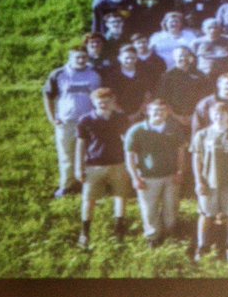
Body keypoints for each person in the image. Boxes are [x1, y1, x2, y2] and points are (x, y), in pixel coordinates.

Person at [190, 101, 228, 262]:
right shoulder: (202, 135)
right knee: (206, 214)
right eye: (216, 113)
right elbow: (196, 159)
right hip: (208, 182)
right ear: (210, 115)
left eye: (223, 113)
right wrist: (198, 182)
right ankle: (202, 246)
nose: (219, 116)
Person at [73, 88, 132, 248]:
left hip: (118, 164)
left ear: (113, 102)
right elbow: (80, 145)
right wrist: (78, 167)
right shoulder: (85, 120)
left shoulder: (121, 118)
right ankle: (85, 233)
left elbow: (128, 141)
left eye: (107, 101)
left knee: (120, 197)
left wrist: (132, 163)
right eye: (100, 102)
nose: (104, 105)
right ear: (93, 102)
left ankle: (119, 231)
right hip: (94, 165)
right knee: (89, 200)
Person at [124, 99, 186, 247]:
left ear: (167, 112)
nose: (159, 113)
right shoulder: (137, 130)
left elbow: (181, 152)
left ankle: (170, 234)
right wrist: (135, 177)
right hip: (147, 178)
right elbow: (129, 156)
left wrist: (180, 171)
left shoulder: (174, 128)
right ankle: (153, 237)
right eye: (155, 110)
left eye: (162, 110)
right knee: (149, 210)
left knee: (171, 208)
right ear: (147, 111)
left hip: (171, 176)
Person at [44, 47, 102, 198]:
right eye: (77, 57)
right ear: (70, 58)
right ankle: (67, 185)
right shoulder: (59, 74)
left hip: (89, 122)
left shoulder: (95, 74)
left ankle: (89, 184)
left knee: (90, 154)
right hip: (67, 122)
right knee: (66, 154)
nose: (81, 60)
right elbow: (48, 96)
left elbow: (102, 96)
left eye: (84, 57)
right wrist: (52, 117)